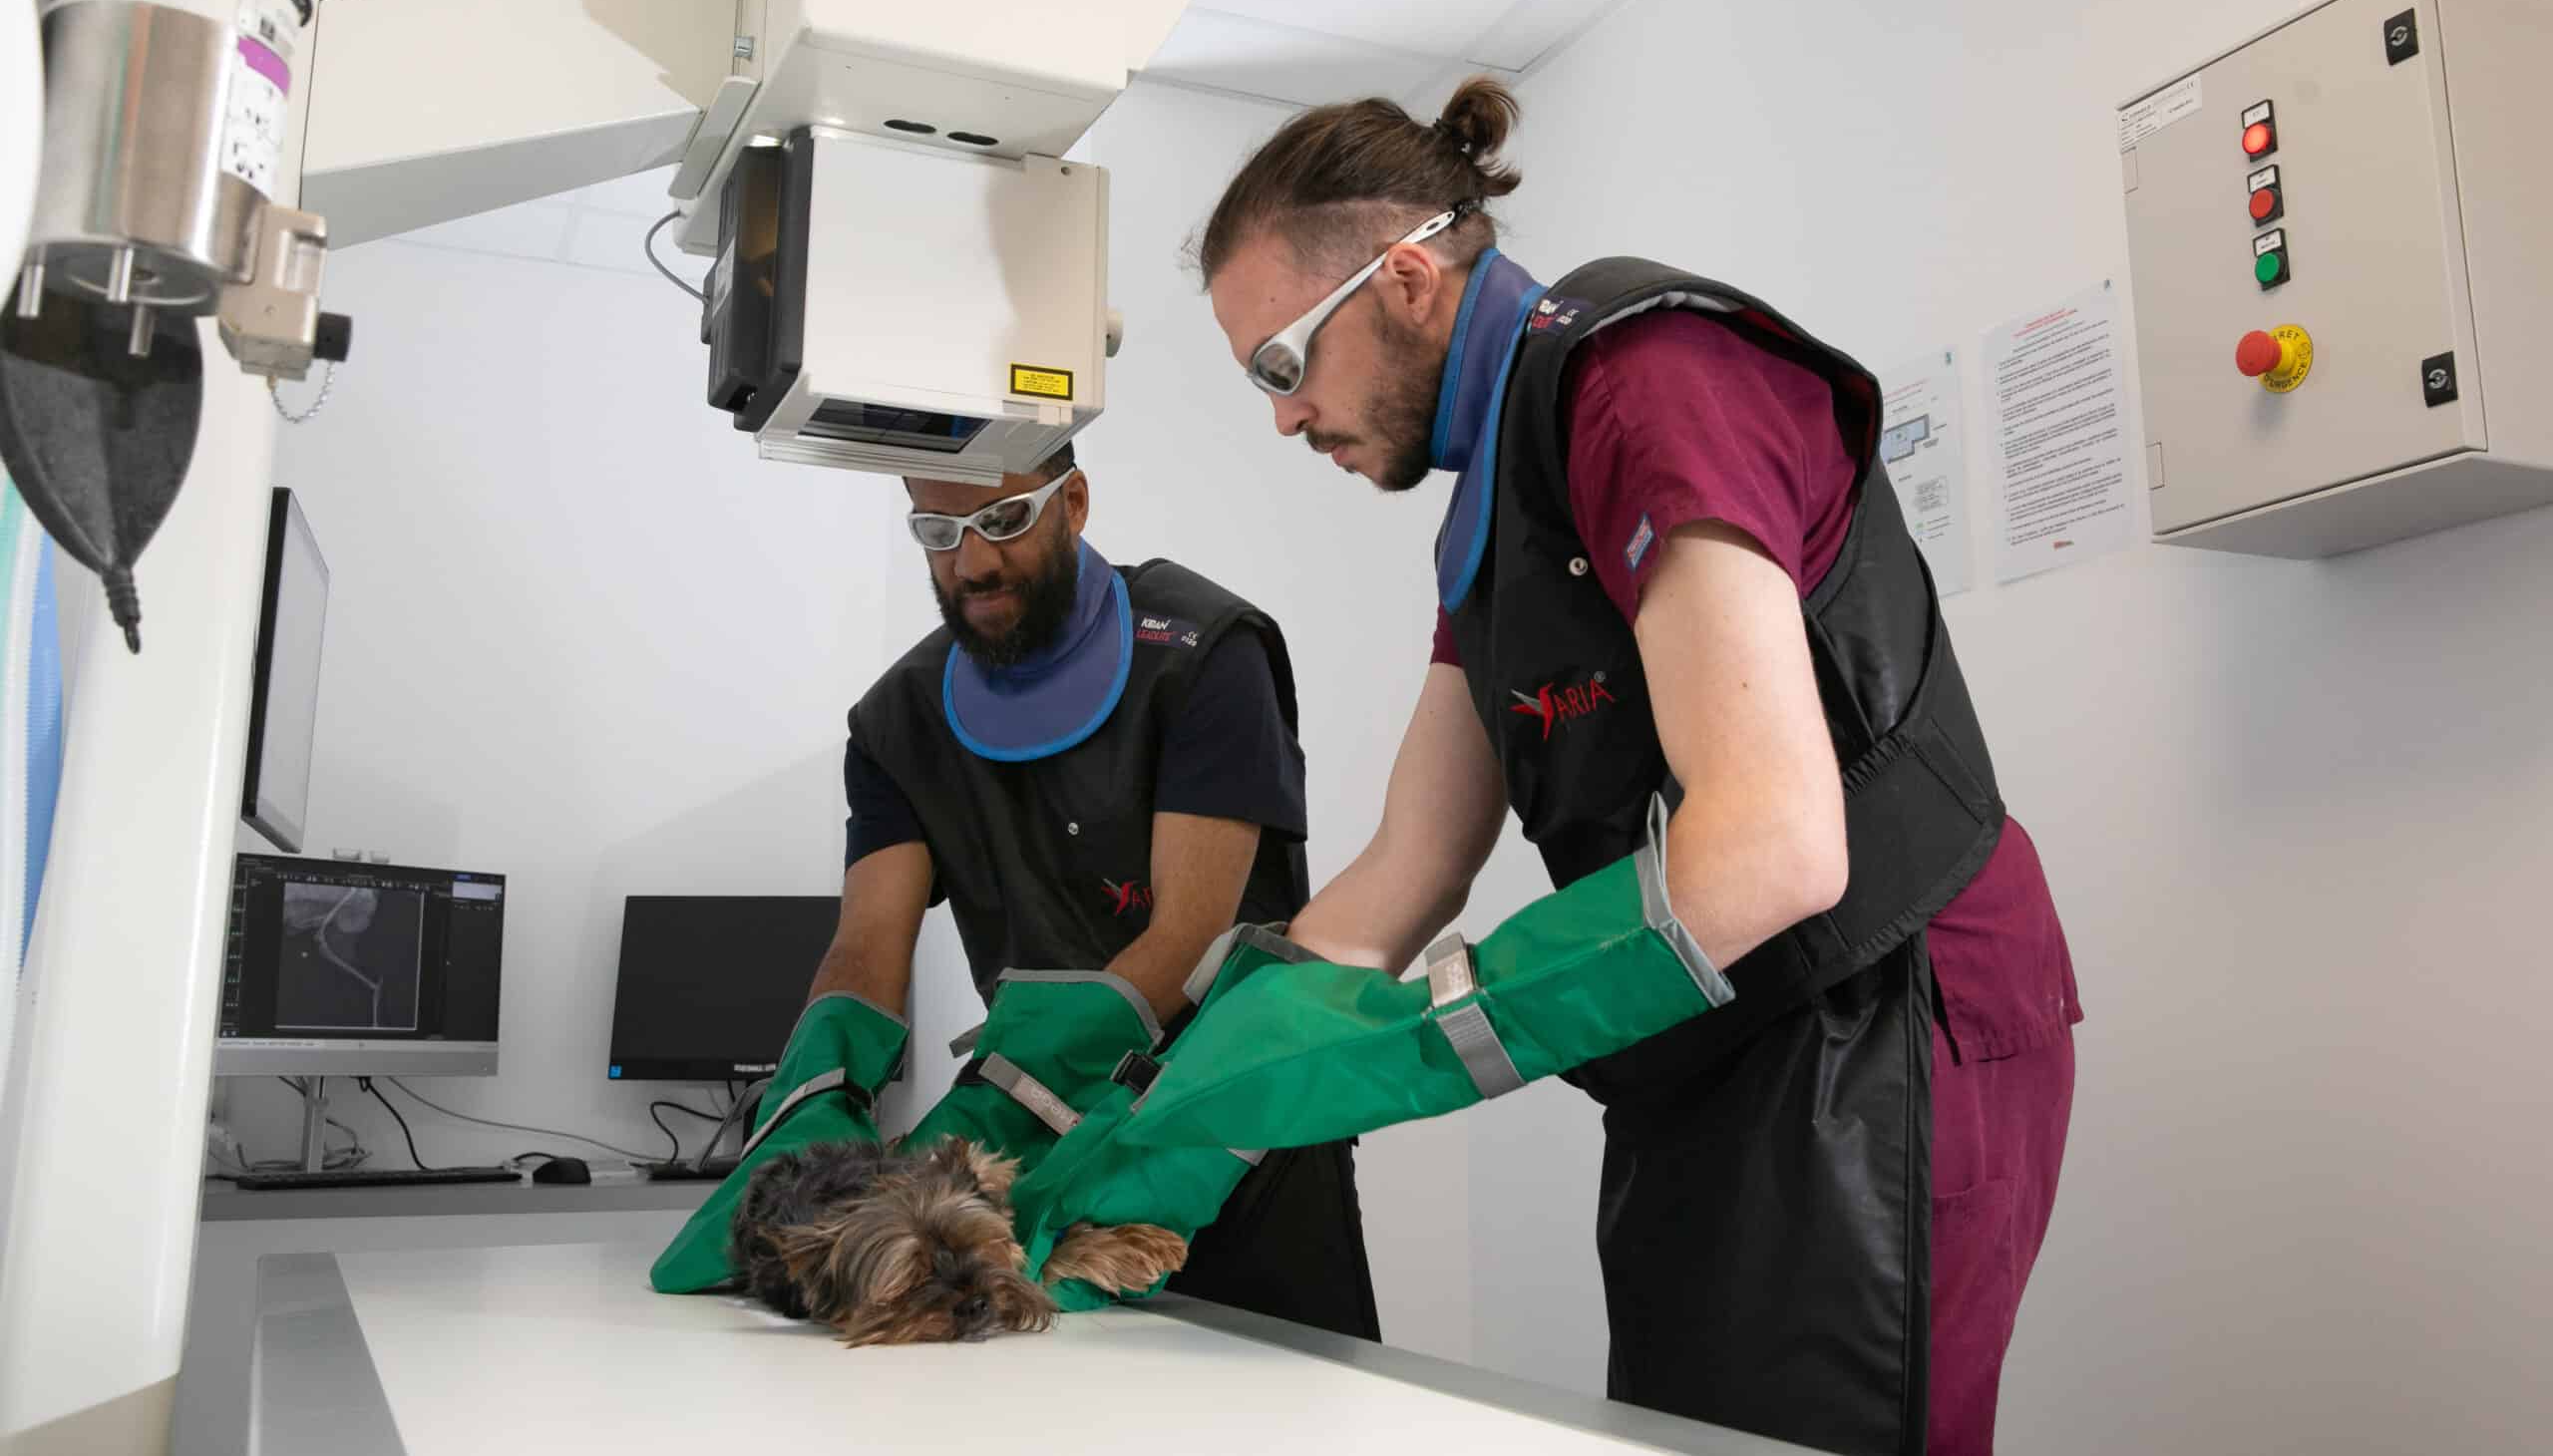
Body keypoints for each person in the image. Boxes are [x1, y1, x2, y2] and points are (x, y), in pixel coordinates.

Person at [1187, 80, 2080, 1454]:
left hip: (1876, 1005)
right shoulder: (1493, 513)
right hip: (1709, 1025)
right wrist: (1179, 1085)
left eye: (1279, 365)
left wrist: (1422, 1044)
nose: (1285, 418)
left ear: (1406, 281)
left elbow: (1775, 845)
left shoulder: (1643, 377)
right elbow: (1408, 867)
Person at [803, 443, 1379, 1339]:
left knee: (1283, 1393)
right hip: (1040, 1152)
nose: (971, 562)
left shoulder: (1202, 653)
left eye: (1003, 520)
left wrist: (1008, 1096)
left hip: (1235, 1133)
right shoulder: (897, 720)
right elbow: (868, 948)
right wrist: (811, 1110)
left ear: (1072, 501)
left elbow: (1187, 940)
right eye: (938, 531)